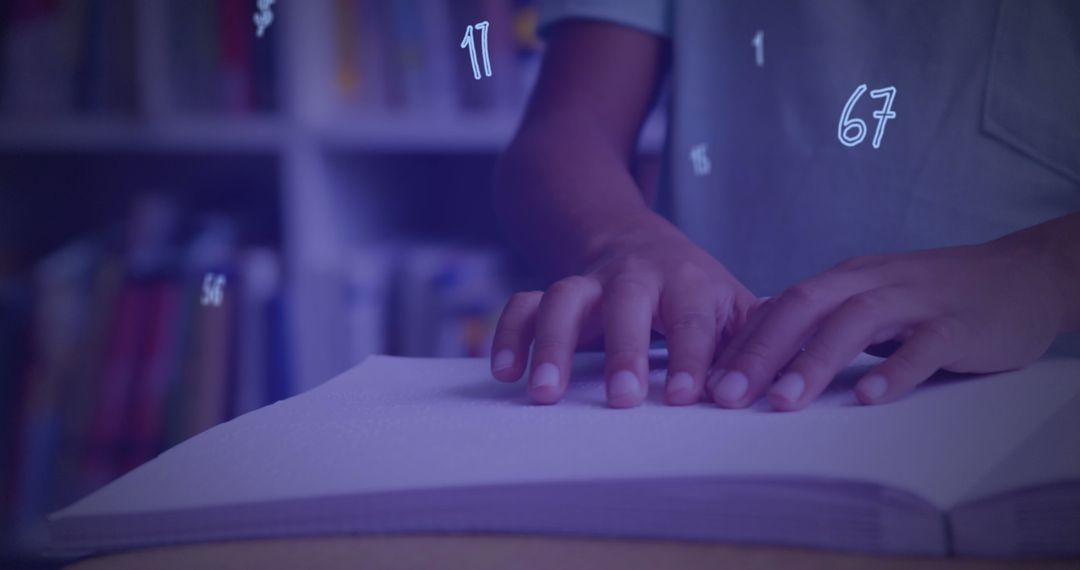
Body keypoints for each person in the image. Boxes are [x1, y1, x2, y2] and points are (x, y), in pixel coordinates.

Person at [488, 0, 1080, 410]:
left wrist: (1051, 270)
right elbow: (563, 136)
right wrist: (616, 239)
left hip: (1033, 410)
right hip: (691, 390)